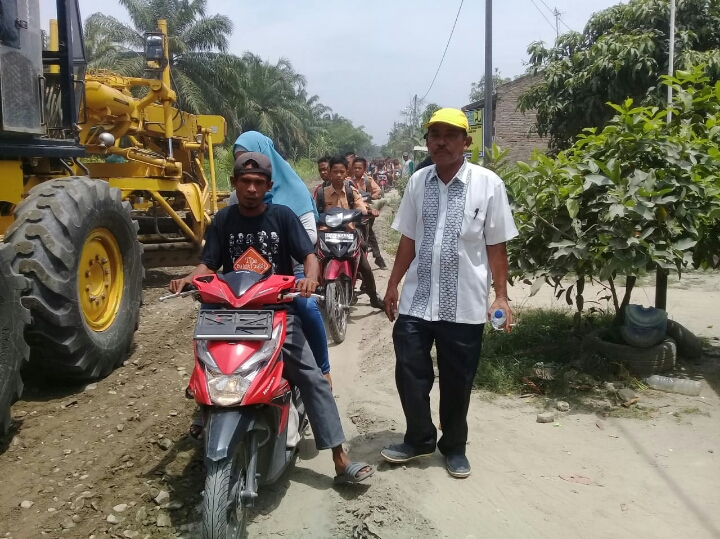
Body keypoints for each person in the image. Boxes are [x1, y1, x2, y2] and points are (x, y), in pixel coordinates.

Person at [170, 153, 375, 484]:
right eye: (245, 182)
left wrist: (309, 279)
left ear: (268, 186)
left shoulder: (282, 217)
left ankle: (339, 457)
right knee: (208, 363)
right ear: (235, 185)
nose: (251, 188)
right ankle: (206, 409)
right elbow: (208, 264)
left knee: (310, 376)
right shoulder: (222, 220)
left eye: (258, 183)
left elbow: (309, 256)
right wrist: (189, 278)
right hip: (230, 314)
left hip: (277, 312)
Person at [381, 108, 518, 479]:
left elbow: (496, 245)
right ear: (427, 141)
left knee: (458, 381)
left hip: (465, 304)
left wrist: (501, 295)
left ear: (465, 141)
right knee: (410, 371)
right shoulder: (417, 182)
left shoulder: (488, 184)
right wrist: (393, 284)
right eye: (434, 134)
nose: (441, 141)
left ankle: (454, 445)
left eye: (450, 134)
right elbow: (408, 238)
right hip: (417, 301)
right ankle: (420, 438)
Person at [227, 132, 331, 388]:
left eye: (253, 160)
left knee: (306, 307)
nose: (248, 166)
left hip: (290, 269)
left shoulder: (294, 192)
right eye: (241, 162)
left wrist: (280, 243)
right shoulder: (234, 200)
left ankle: (323, 369)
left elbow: (309, 238)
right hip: (248, 274)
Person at [315, 155, 385, 309]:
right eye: (335, 172)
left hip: (348, 235)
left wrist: (369, 210)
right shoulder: (320, 193)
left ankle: (373, 297)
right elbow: (312, 212)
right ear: (330, 172)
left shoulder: (351, 190)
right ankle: (313, 291)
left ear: (346, 172)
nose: (338, 175)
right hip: (327, 235)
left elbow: (361, 206)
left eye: (341, 172)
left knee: (365, 267)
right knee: (311, 260)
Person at [350, 157, 386, 269]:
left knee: (369, 232)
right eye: (355, 168)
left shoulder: (368, 180)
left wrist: (372, 196)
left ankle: (378, 257)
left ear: (364, 169)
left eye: (359, 168)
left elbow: (378, 190)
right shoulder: (348, 181)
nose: (357, 170)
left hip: (366, 210)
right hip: (352, 211)